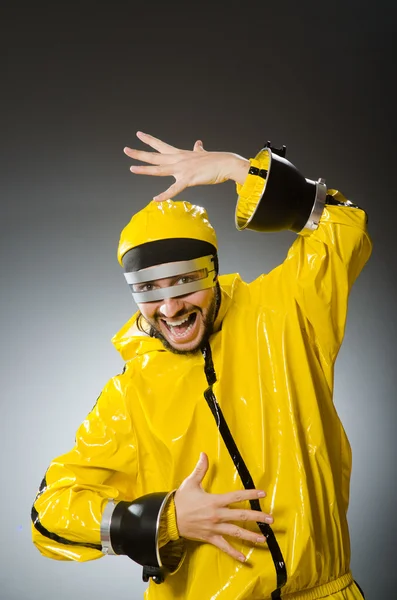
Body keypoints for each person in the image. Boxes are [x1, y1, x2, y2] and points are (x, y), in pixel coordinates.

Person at [31, 132, 372, 600]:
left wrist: (239, 169)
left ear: (211, 271)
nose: (169, 309)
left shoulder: (285, 313)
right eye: (150, 291)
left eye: (184, 283)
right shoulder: (131, 395)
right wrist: (163, 519)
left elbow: (344, 223)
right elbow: (50, 513)